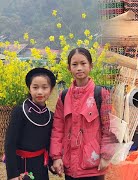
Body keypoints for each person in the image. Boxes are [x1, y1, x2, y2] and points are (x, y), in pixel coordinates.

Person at [50, 47, 118, 180]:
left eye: (83, 63)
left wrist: (105, 155)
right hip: (70, 166)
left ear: (91, 66)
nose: (79, 68)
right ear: (69, 68)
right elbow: (58, 129)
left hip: (93, 165)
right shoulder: (63, 96)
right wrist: (56, 157)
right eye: (74, 64)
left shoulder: (101, 94)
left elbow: (109, 128)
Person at [5, 68, 57, 180]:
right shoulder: (19, 112)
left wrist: (52, 164)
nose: (39, 92)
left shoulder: (50, 116)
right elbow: (10, 144)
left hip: (40, 167)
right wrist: (13, 174)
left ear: (51, 90)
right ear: (29, 88)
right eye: (35, 87)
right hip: (21, 166)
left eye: (44, 87)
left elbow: (49, 144)